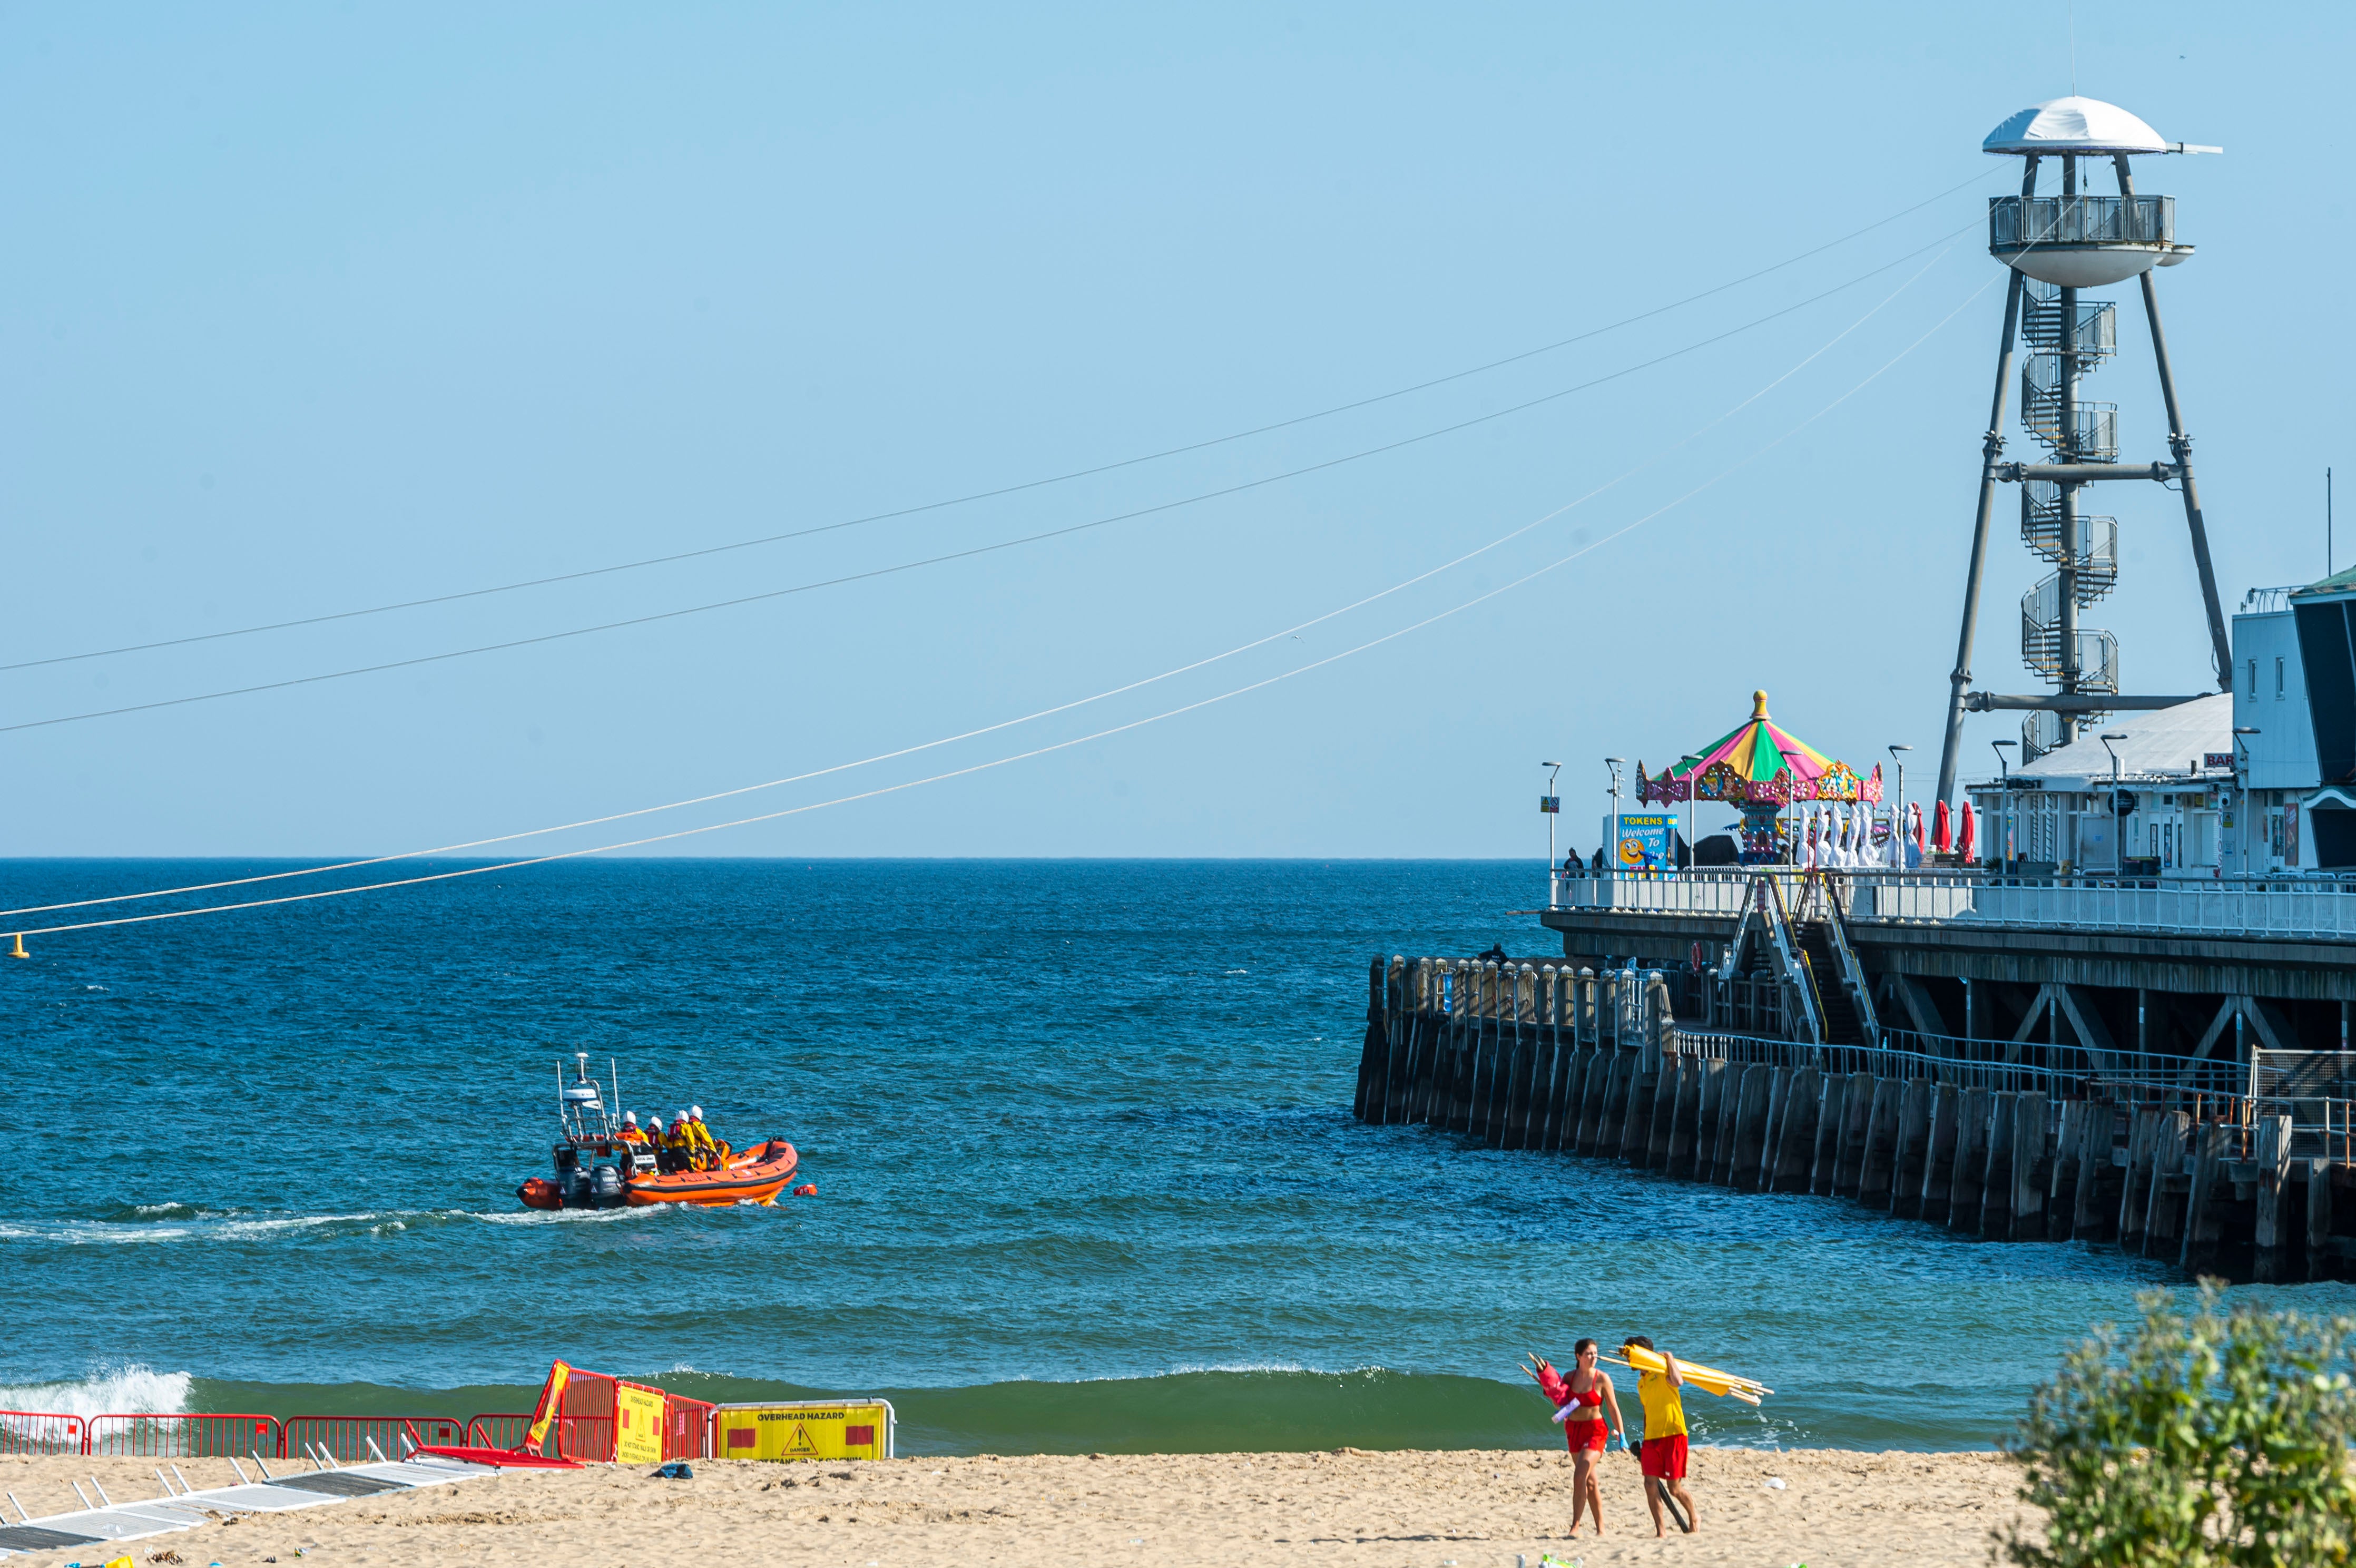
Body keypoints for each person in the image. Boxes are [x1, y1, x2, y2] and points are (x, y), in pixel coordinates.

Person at [1523, 1341, 1623, 1537]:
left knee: (1580, 1476)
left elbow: (1613, 1408)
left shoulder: (1603, 1379)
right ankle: (1601, 1530)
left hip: (1596, 1431)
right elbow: (1559, 1400)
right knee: (1590, 1482)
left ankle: (1575, 1527)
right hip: (1574, 1430)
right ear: (1578, 1356)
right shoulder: (1570, 1377)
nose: (1593, 1357)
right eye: (1589, 1353)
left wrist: (1622, 1435)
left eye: (1595, 1353)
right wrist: (1550, 1389)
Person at [1624, 1336, 1695, 1537]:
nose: (1629, 1360)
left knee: (1674, 1488)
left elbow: (1679, 1381)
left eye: (1632, 1354)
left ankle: (1693, 1518)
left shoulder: (1663, 1370)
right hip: (1652, 1438)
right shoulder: (1641, 1384)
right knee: (1649, 1484)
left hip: (1674, 1434)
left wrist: (1670, 1358)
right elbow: (1647, 1412)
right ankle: (1661, 1531)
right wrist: (1645, 1439)